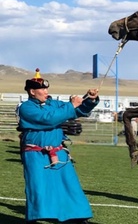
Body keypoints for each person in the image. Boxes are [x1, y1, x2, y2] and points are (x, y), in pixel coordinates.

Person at [18, 68, 99, 224]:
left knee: (70, 185)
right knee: (38, 188)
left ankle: (78, 217)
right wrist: (71, 106)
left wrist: (90, 100)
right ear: (32, 91)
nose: (46, 91)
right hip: (35, 154)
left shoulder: (54, 103)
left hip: (58, 152)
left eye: (46, 88)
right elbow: (48, 119)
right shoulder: (26, 107)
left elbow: (78, 111)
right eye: (42, 89)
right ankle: (37, 218)